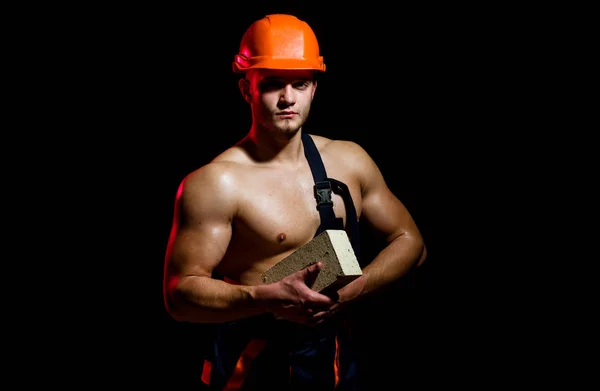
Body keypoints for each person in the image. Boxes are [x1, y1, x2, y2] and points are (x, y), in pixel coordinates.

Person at [163, 13, 427, 391]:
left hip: (333, 354)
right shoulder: (216, 182)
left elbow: (412, 242)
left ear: (314, 88)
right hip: (254, 361)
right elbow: (178, 296)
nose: (288, 98)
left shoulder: (349, 160)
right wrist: (265, 298)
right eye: (272, 85)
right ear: (246, 90)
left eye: (300, 84)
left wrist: (355, 288)